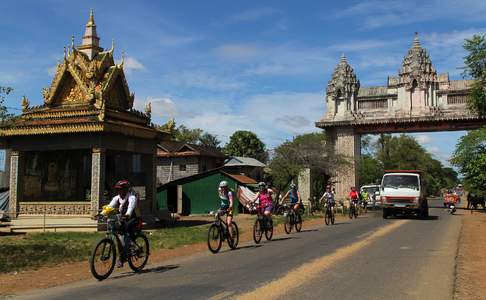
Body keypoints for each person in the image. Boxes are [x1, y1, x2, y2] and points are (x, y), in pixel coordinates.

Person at [102, 180, 139, 267]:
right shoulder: (116, 198)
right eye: (118, 189)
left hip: (132, 219)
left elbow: (130, 207)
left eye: (121, 189)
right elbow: (109, 207)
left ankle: (125, 253)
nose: (119, 191)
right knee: (117, 233)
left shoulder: (131, 197)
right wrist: (101, 214)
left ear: (126, 189)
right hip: (121, 219)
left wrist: (127, 215)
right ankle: (122, 255)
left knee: (124, 232)